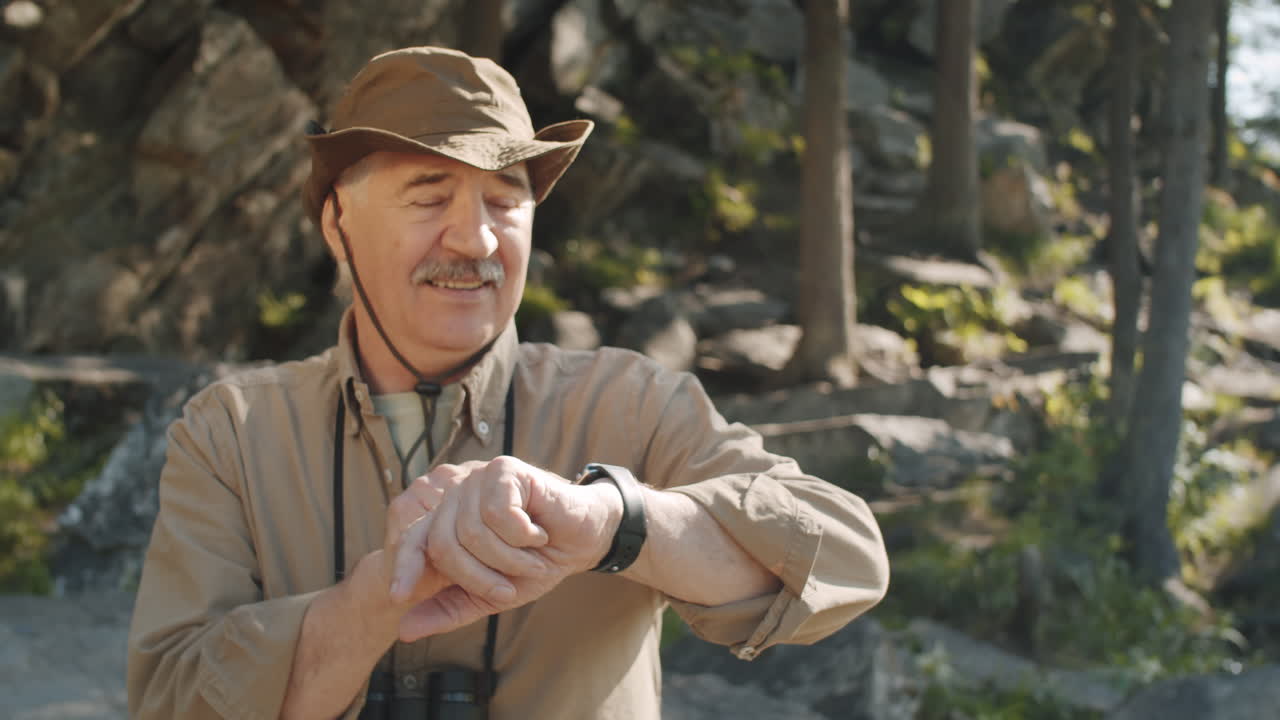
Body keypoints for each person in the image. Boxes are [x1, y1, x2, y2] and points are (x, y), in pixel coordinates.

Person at [127, 46, 889, 720]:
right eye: (429, 197)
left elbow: (847, 558)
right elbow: (168, 699)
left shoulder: (632, 405)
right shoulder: (232, 434)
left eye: (504, 199)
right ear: (338, 224)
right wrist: (372, 601)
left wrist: (611, 521)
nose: (476, 238)